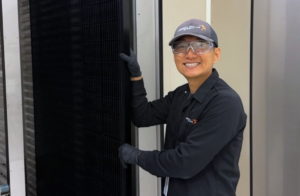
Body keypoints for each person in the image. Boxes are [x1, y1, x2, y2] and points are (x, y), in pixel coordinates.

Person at [118, 19, 247, 196]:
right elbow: (143, 116)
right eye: (181, 46)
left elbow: (184, 163)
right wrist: (135, 76)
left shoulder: (225, 103)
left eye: (200, 45)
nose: (190, 53)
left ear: (216, 54)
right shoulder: (181, 94)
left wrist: (137, 156)